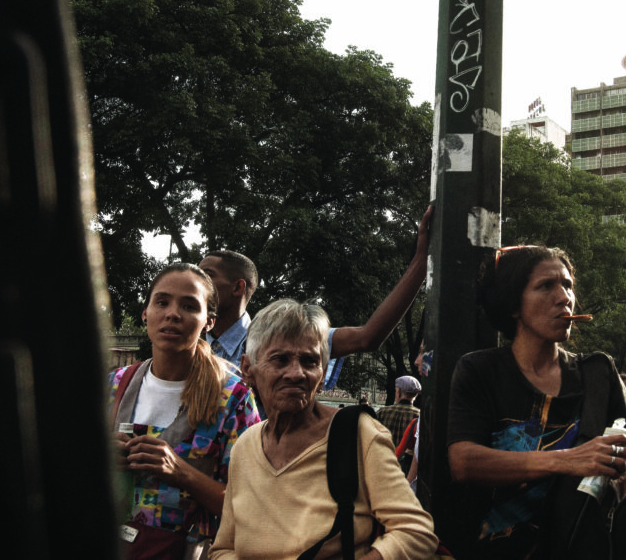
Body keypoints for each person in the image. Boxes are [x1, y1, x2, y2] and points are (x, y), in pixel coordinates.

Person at [447, 245, 626, 558]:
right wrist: (566, 459)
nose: (564, 297)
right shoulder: (479, 370)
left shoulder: (598, 373)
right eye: (546, 286)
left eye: (568, 285)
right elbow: (463, 462)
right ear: (513, 303)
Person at [210, 299, 437, 560]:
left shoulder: (359, 434)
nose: (296, 373)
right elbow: (224, 548)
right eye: (280, 360)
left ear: (321, 375)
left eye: (309, 361)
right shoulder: (245, 446)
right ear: (248, 369)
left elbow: (415, 531)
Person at [110, 264, 261, 557]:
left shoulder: (233, 400)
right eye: (162, 302)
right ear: (146, 313)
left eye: (189, 306)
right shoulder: (115, 385)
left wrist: (181, 472)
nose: (173, 314)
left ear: (209, 321)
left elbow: (253, 506)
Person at [199, 206, 434, 367]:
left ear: (238, 288)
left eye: (208, 275)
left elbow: (366, 338)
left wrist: (421, 261)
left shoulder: (278, 335)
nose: (198, 283)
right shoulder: (186, 343)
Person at [378, 375, 421, 475]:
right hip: (405, 472)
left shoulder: (382, 412)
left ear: (398, 392)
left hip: (382, 467)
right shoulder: (420, 416)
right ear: (415, 395)